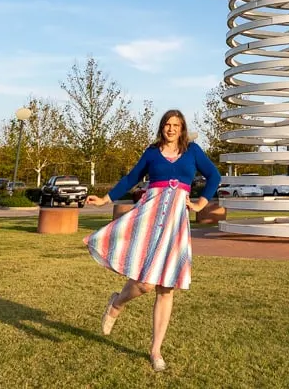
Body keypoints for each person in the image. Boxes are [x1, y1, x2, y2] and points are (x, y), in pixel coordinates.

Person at [84, 109, 220, 372]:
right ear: (162, 127)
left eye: (176, 125)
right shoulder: (151, 152)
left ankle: (155, 350)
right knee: (145, 284)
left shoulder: (192, 151)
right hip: (150, 216)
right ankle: (117, 304)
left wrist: (201, 202)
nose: (171, 129)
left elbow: (214, 176)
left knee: (166, 286)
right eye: (167, 125)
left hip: (175, 222)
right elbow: (131, 178)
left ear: (182, 128)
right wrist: (105, 199)